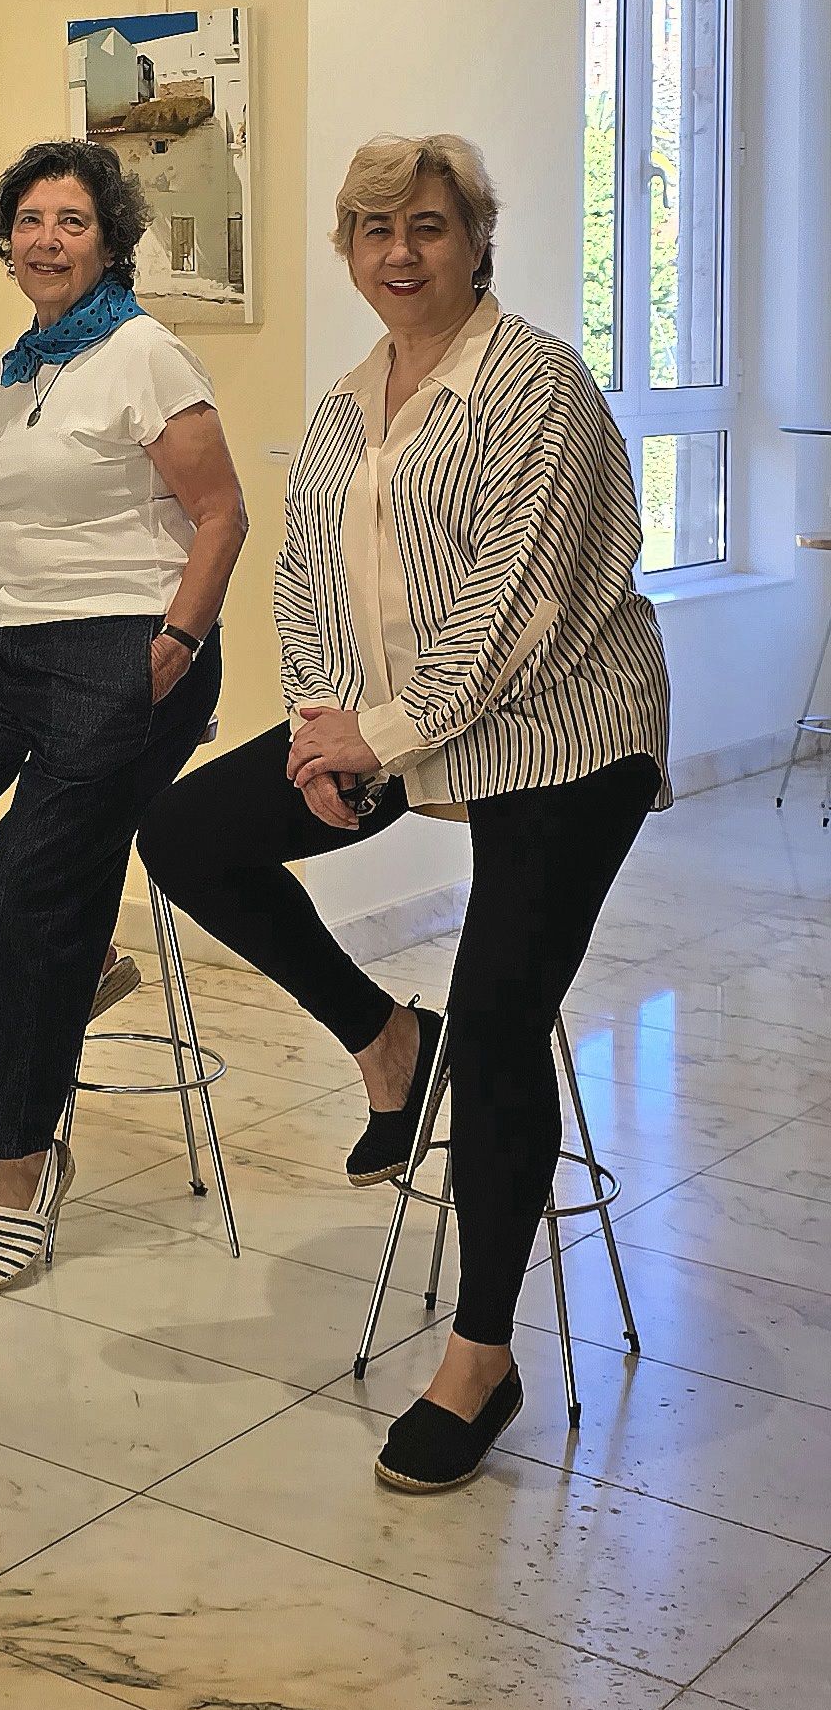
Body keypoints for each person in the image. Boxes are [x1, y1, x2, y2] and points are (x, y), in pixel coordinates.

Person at [139, 132, 671, 1492]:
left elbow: (521, 610)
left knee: (502, 1016)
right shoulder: (342, 404)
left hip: (564, 732)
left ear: (475, 239)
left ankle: (482, 1355)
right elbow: (306, 576)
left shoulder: (534, 381)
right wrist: (322, 721)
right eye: (375, 231)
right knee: (189, 832)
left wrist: (369, 739)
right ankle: (385, 1039)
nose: (399, 253)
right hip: (395, 735)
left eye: (427, 226)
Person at [0, 139, 247, 1294]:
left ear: (109, 239)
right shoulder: (13, 367)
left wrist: (174, 645)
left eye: (71, 220)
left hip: (132, 644)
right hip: (12, 646)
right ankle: (59, 978)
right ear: (6, 240)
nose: (47, 239)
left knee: (25, 880)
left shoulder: (145, 355)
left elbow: (220, 515)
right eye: (29, 220)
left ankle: (19, 1173)